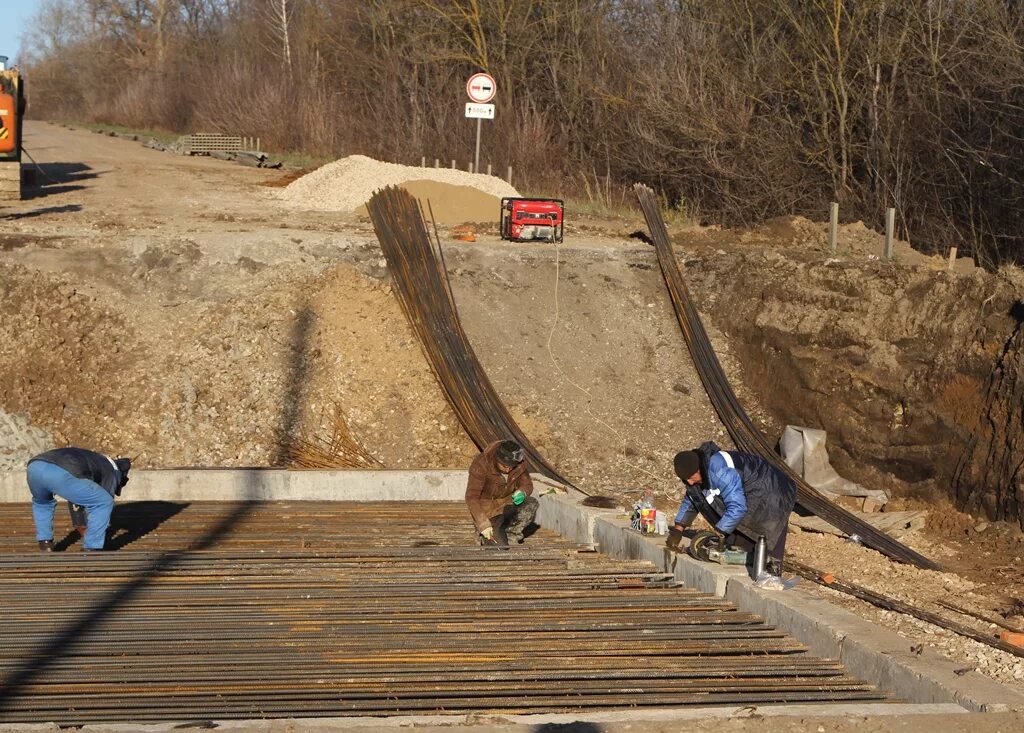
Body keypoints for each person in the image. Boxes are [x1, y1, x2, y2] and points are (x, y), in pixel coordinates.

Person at [667, 441, 796, 573]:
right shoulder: (697, 475)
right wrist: (678, 529)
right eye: (685, 479)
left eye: (690, 477)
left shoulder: (719, 471)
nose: (689, 482)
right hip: (748, 492)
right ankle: (748, 566)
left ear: (699, 469)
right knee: (737, 545)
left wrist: (717, 533)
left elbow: (737, 507)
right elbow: (693, 498)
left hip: (771, 490)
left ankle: (771, 578)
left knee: (766, 539)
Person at [27, 447, 131, 552]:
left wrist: (81, 524)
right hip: (62, 471)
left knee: (42, 503)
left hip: (35, 466)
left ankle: (45, 543)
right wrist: (83, 526)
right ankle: (92, 546)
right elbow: (103, 500)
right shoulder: (112, 471)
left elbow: (76, 499)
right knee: (104, 502)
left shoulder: (96, 458)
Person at [465, 439, 538, 547]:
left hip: (507, 503)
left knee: (531, 503)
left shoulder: (518, 464)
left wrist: (522, 492)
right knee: (498, 547)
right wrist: (483, 523)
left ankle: (511, 534)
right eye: (504, 466)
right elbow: (471, 497)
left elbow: (527, 485)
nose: (509, 470)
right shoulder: (481, 465)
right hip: (489, 511)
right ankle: (482, 532)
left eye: (511, 467)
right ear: (497, 459)